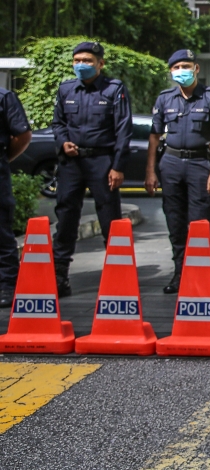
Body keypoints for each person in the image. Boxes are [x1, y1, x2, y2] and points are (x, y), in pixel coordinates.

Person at [51, 42, 133, 297]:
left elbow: (123, 129)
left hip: (102, 161)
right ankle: (59, 276)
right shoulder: (66, 88)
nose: (81, 65)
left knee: (110, 218)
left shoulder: (113, 89)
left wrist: (118, 166)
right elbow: (58, 122)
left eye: (87, 60)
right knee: (66, 217)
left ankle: (117, 278)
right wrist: (63, 142)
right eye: (77, 60)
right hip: (72, 163)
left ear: (100, 63)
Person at [145, 50, 210, 293]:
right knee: (175, 221)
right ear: (171, 71)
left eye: (186, 66)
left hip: (200, 164)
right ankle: (179, 273)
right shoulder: (165, 98)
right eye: (177, 67)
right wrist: (150, 171)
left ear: (196, 68)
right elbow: (154, 136)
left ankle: (200, 275)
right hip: (170, 163)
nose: (182, 70)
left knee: (199, 222)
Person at [0, 88, 31, 307]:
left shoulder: (3, 97)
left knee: (1, 230)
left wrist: (4, 159)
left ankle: (7, 286)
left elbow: (22, 135)